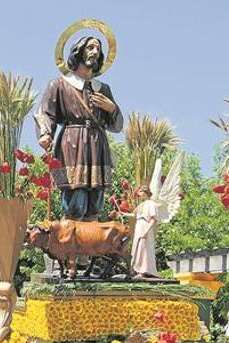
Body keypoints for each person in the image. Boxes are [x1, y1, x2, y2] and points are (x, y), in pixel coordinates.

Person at [35, 35, 124, 221]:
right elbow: (45, 113)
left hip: (97, 145)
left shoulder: (103, 89)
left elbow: (117, 126)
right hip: (72, 143)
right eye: (90, 47)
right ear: (79, 50)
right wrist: (45, 133)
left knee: (95, 200)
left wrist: (112, 109)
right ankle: (71, 241)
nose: (95, 52)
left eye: (98, 49)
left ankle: (91, 242)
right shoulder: (59, 85)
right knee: (75, 194)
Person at [130, 186, 160, 278]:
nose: (139, 194)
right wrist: (121, 213)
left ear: (145, 192)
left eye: (140, 191)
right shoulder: (142, 204)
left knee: (144, 248)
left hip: (145, 226)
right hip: (139, 225)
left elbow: (153, 219)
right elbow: (134, 215)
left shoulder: (151, 203)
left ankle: (144, 271)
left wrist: (146, 231)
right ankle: (138, 270)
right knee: (137, 247)